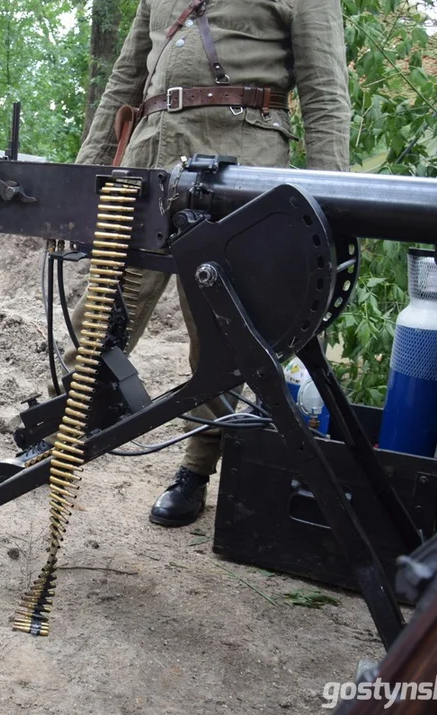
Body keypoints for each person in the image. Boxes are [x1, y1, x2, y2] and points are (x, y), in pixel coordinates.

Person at [62, 0, 351, 528]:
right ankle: (62, 431)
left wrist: (334, 204)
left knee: (222, 330)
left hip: (239, 162)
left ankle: (195, 468)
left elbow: (325, 95)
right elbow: (124, 80)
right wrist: (83, 179)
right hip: (148, 157)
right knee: (103, 304)